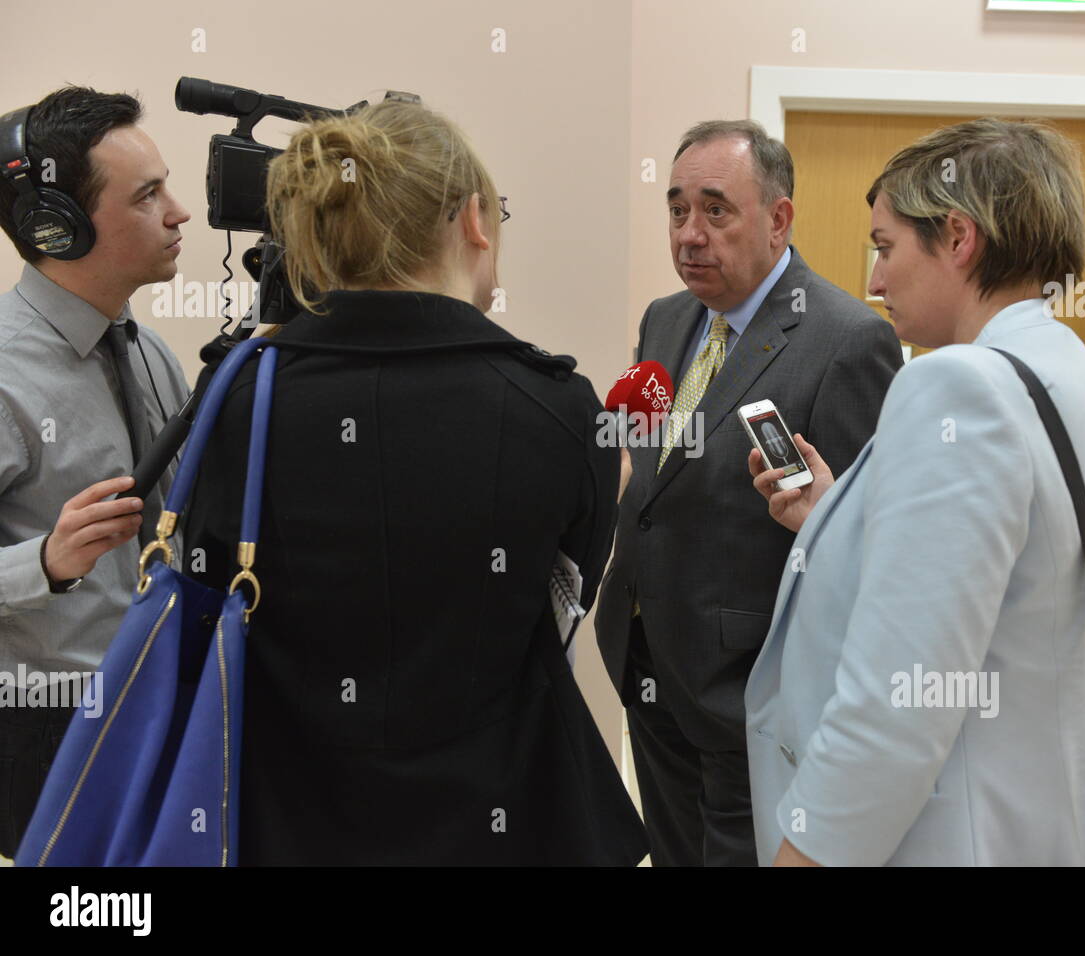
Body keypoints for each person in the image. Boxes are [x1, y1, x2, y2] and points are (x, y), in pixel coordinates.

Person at [182, 100, 647, 865]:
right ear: (473, 221)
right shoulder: (561, 409)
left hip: (283, 822)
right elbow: (565, 601)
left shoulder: (236, 398)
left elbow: (206, 584)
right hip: (505, 825)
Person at [745, 118, 1085, 866]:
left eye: (885, 246)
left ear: (959, 238)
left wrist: (806, 856)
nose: (873, 281)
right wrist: (839, 516)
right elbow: (1016, 596)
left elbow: (899, 702)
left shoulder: (957, 385)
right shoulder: (1067, 371)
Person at [594, 119, 902, 866]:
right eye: (676, 211)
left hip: (748, 694)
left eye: (715, 210)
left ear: (778, 217)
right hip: (647, 662)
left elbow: (865, 540)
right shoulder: (665, 319)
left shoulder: (849, 340)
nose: (690, 234)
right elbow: (651, 472)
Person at [0, 87, 191, 859]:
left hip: (159, 706)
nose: (179, 213)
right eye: (148, 196)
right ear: (61, 228)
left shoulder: (150, 354)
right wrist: (43, 563)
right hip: (45, 727)